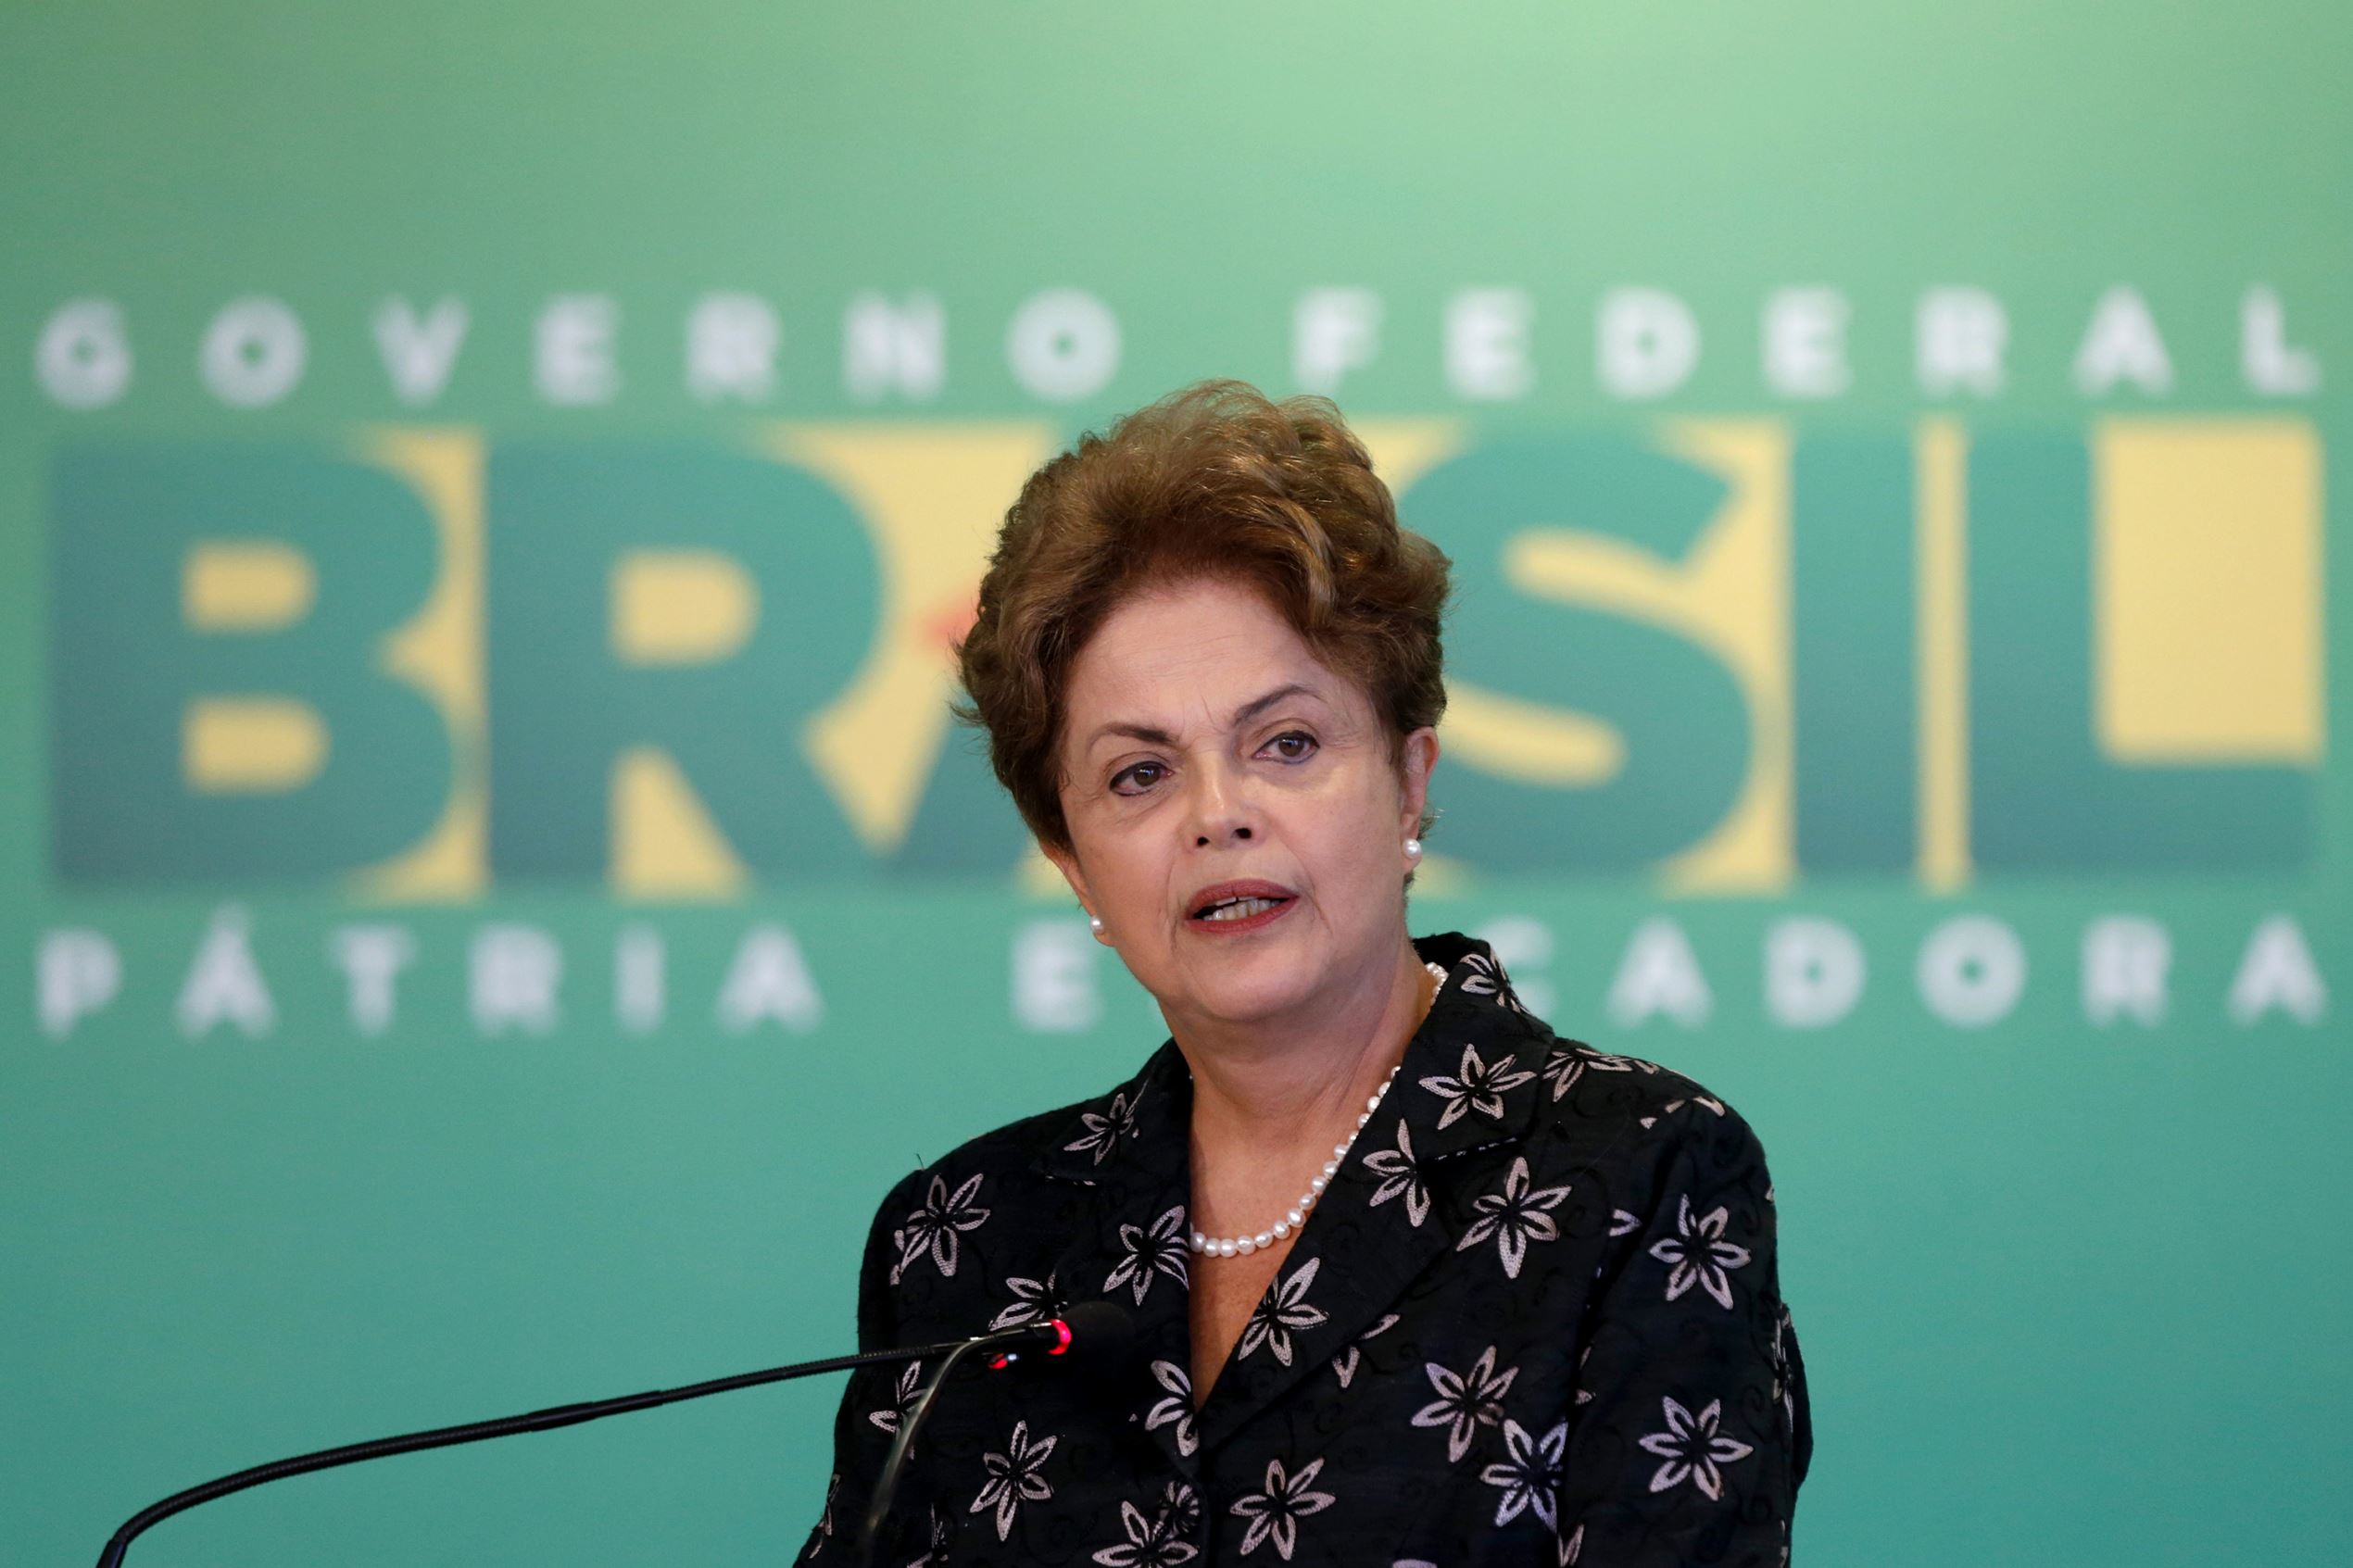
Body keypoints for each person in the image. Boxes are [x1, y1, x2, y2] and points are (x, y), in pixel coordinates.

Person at [799, 382, 1809, 1566]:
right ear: (1070, 861)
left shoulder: (1634, 1171)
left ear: (1407, 782)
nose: (1217, 815)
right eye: (1139, 773)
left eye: (1284, 743)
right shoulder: (965, 1241)